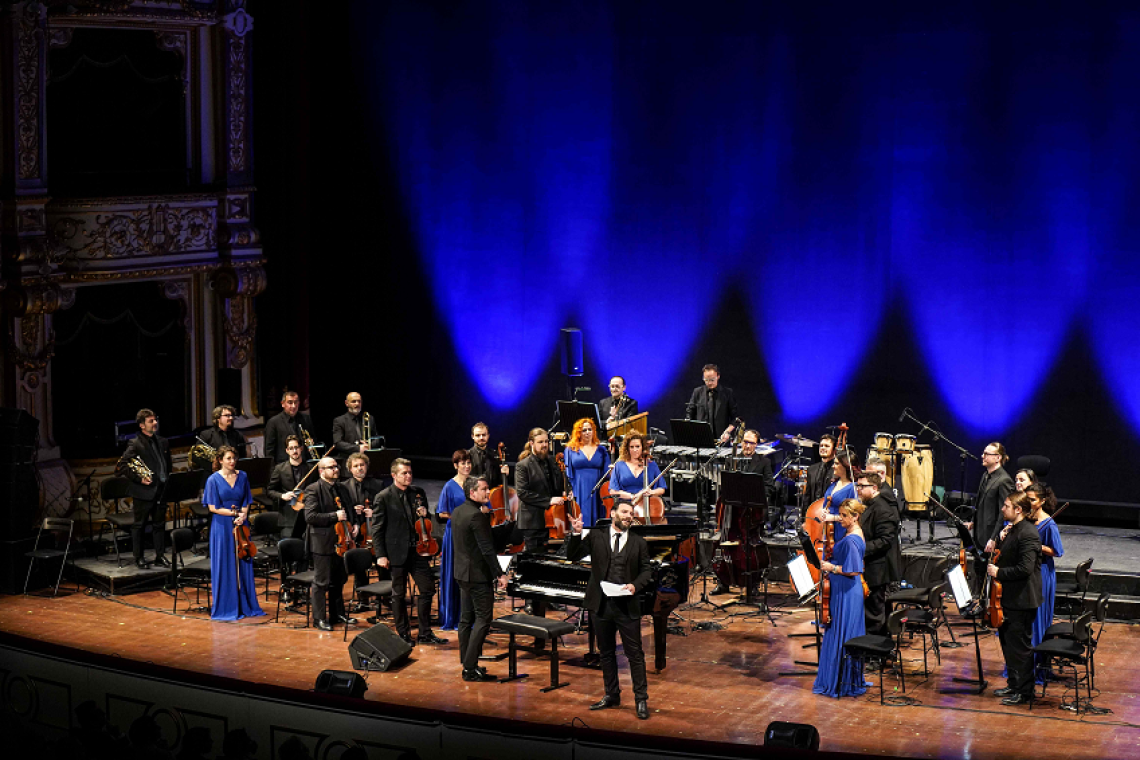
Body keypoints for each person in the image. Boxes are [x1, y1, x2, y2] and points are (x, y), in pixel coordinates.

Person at [567, 501, 653, 720]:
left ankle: (641, 699)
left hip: (626, 605)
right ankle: (611, 694)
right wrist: (576, 534)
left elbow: (646, 572)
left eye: (631, 514)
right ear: (612, 513)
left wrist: (635, 585)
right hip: (601, 604)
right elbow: (573, 556)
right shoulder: (596, 537)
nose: (628, 516)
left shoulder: (639, 542)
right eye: (624, 512)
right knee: (605, 653)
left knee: (635, 654)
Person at [371, 458, 447, 645]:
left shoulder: (418, 493)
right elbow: (378, 528)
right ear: (394, 475)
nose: (408, 476)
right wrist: (380, 555)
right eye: (404, 473)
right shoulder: (383, 497)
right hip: (396, 552)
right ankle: (403, 633)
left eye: (410, 472)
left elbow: (425, 520)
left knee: (427, 589)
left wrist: (425, 514)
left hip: (419, 550)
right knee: (398, 594)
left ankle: (425, 632)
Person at [988, 491, 1043, 705]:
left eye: (1006, 505)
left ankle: (1025, 691)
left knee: (1020, 647)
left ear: (1018, 509)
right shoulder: (1013, 530)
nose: (1002, 509)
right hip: (1009, 598)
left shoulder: (1028, 533)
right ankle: (1013, 684)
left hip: (1022, 599)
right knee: (1008, 644)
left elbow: (1025, 568)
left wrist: (998, 573)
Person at [451, 476, 507, 681]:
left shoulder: (458, 512)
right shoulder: (476, 516)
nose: (487, 493)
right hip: (477, 576)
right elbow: (487, 549)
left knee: (466, 620)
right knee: (484, 619)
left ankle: (467, 662)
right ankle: (469, 667)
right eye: (483, 489)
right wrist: (499, 574)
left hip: (461, 574)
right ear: (472, 493)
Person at [812, 499, 868, 698]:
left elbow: (853, 570)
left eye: (844, 516)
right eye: (841, 514)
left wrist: (831, 567)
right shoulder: (855, 532)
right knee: (845, 633)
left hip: (846, 592)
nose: (840, 519)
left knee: (842, 633)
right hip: (846, 591)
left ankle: (839, 682)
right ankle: (847, 679)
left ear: (855, 516)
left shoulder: (852, 540)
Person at [203, 446, 264, 621]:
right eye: (228, 458)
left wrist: (243, 514)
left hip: (241, 524)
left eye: (234, 458)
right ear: (220, 460)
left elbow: (246, 500)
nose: (232, 461)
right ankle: (226, 606)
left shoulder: (242, 476)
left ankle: (246, 604)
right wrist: (234, 514)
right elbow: (213, 507)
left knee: (243, 561)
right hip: (222, 526)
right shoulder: (213, 480)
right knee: (225, 564)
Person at [303, 457, 355, 631]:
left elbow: (349, 509)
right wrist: (334, 516)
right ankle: (319, 618)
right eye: (330, 467)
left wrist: (354, 525)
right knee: (321, 582)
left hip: (342, 541)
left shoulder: (342, 488)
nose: (335, 469)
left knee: (339, 580)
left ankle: (337, 613)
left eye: (336, 466)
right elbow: (310, 517)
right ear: (321, 471)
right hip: (322, 542)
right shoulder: (313, 489)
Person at [117, 408, 173, 569]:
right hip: (144, 491)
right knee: (139, 525)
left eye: (155, 420)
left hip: (161, 489)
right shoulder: (135, 443)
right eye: (151, 421)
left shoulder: (163, 441)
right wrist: (140, 478)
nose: (155, 423)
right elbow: (122, 465)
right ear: (142, 425)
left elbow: (167, 464)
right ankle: (139, 557)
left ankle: (160, 556)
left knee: (159, 525)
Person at [855, 472, 901, 636]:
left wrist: (859, 548)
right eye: (857, 485)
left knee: (875, 613)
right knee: (873, 610)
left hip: (878, 568)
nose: (858, 489)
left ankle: (876, 653)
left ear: (874, 488)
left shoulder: (882, 509)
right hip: (872, 565)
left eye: (862, 486)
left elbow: (885, 540)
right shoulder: (869, 505)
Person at [1026, 482, 1063, 682]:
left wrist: (1037, 546)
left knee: (1038, 622)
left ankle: (1038, 668)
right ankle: (1024, 667)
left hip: (1042, 575)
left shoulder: (1049, 524)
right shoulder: (1025, 519)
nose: (1028, 503)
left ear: (1041, 501)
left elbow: (1057, 551)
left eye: (1032, 500)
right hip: (1028, 574)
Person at [967, 442, 1014, 586]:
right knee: (978, 570)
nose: (983, 456)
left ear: (998, 457)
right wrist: (972, 520)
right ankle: (979, 604)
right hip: (979, 532)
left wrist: (993, 538)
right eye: (983, 453)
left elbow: (1003, 513)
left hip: (989, 535)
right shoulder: (985, 475)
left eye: (987, 454)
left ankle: (984, 604)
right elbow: (980, 502)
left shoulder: (1004, 480)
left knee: (986, 574)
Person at [436, 450, 473, 631]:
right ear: (455, 465)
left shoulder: (475, 483)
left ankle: (469, 616)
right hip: (454, 534)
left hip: (472, 535)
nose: (466, 466)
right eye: (462, 463)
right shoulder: (449, 486)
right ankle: (452, 617)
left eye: (468, 462)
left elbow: (486, 506)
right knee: (454, 574)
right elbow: (442, 512)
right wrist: (460, 518)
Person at [515, 428, 565, 555]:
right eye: (540, 442)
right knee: (534, 561)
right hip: (532, 522)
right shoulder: (523, 465)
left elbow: (556, 487)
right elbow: (522, 493)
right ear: (532, 443)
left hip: (552, 521)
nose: (544, 445)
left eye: (546, 441)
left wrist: (564, 493)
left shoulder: (553, 461)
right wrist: (548, 501)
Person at [564, 418, 611, 527]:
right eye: (584, 430)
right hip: (579, 489)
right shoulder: (570, 449)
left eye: (590, 429)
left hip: (598, 489)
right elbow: (568, 472)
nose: (587, 432)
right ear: (578, 432)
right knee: (582, 519)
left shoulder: (602, 449)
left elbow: (607, 474)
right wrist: (569, 490)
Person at [608, 432, 664, 523]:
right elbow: (613, 491)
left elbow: (661, 488)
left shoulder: (651, 465)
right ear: (627, 448)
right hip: (624, 506)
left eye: (637, 446)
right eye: (632, 447)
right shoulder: (619, 465)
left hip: (646, 506)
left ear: (643, 447)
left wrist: (651, 492)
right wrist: (632, 496)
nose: (635, 450)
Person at [342, 452, 378, 590]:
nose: (359, 468)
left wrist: (374, 512)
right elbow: (341, 508)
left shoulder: (377, 484)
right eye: (355, 466)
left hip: (374, 529)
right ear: (350, 469)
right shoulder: (343, 486)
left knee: (381, 563)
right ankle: (363, 598)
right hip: (356, 531)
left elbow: (385, 506)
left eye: (362, 465)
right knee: (359, 566)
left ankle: (386, 598)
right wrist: (352, 510)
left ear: (367, 466)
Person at [685, 364, 739, 443]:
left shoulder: (727, 393)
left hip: (721, 439)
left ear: (718, 376)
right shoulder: (697, 392)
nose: (709, 383)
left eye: (712, 380)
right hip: (701, 439)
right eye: (706, 380)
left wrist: (727, 432)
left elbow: (735, 418)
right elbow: (690, 412)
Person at [264, 390, 315, 464]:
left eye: (296, 402)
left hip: (304, 464)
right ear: (283, 404)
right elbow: (269, 450)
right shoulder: (273, 422)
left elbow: (313, 439)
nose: (293, 406)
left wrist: (311, 443)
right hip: (283, 466)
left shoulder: (306, 419)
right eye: (290, 402)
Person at [822, 451, 858, 542]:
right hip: (828, 531)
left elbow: (854, 516)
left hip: (842, 532)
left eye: (837, 463)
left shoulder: (853, 487)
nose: (833, 466)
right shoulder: (833, 484)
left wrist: (833, 517)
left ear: (846, 466)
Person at [332, 392, 373, 467]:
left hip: (367, 462)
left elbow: (376, 438)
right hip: (348, 462)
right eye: (353, 401)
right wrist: (358, 448)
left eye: (359, 401)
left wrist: (369, 445)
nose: (357, 404)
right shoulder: (339, 421)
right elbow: (338, 443)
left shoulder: (369, 418)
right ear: (346, 403)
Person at [468, 422, 509, 488]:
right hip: (474, 495)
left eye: (484, 435)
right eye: (478, 435)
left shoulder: (495, 455)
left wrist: (505, 474)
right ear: (472, 436)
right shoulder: (467, 455)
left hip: (492, 495)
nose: (481, 438)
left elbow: (499, 480)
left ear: (488, 436)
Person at [805, 434, 837, 503]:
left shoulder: (838, 470)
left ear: (834, 450)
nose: (822, 448)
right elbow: (807, 497)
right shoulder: (812, 469)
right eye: (821, 445)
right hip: (813, 511)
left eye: (827, 446)